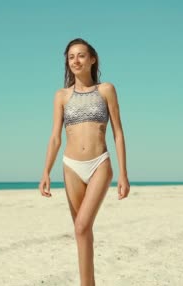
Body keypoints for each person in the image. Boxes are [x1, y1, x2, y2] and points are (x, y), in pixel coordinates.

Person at [39, 38, 130, 285]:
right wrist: (46, 171)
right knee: (82, 232)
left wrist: (123, 173)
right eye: (71, 57)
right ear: (67, 63)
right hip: (71, 167)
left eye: (81, 55)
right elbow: (55, 137)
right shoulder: (61, 96)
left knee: (81, 227)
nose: (76, 60)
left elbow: (118, 133)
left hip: (100, 163)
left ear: (92, 59)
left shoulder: (106, 90)